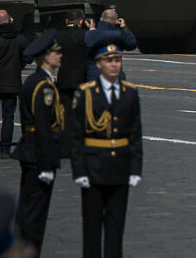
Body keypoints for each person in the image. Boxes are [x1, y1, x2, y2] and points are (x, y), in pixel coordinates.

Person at [70, 33, 142, 258]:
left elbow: (134, 133)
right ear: (98, 63)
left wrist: (135, 168)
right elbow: (76, 135)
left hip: (119, 168)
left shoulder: (130, 92)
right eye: (109, 60)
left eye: (118, 60)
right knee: (91, 232)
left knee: (115, 230)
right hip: (93, 167)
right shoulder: (86, 93)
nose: (114, 65)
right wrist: (79, 169)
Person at [13, 29, 64, 256]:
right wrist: (46, 164)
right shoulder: (43, 86)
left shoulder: (36, 81)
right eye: (56, 52)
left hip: (30, 151)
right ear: (45, 56)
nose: (60, 56)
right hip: (38, 155)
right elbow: (43, 127)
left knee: (27, 211)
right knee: (35, 214)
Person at [0, 9, 30, 157]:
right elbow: (28, 57)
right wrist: (19, 65)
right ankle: (5, 149)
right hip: (12, 83)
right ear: (10, 20)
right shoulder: (20, 39)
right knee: (9, 117)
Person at [56, 10, 89, 157]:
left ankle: (64, 148)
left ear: (66, 21)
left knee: (64, 116)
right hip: (81, 79)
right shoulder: (85, 36)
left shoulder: (59, 36)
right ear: (81, 21)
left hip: (64, 79)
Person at [84, 9, 136, 82]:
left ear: (101, 19)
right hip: (114, 77)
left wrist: (92, 29)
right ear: (116, 21)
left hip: (94, 76)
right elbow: (132, 44)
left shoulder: (90, 35)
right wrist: (124, 27)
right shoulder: (118, 35)